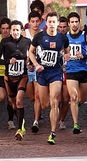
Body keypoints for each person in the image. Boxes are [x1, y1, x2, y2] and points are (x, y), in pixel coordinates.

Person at [28, 12, 70, 144]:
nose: (52, 24)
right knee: (44, 104)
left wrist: (66, 59)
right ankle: (46, 120)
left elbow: (67, 52)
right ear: (46, 23)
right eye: (49, 22)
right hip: (42, 72)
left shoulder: (63, 38)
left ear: (58, 23)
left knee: (54, 101)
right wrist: (36, 65)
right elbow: (30, 52)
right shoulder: (39, 37)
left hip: (56, 72)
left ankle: (52, 132)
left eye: (54, 22)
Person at [0, 20, 32, 140]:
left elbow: (33, 56)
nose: (15, 32)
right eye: (13, 30)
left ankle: (20, 129)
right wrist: (8, 61)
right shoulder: (5, 42)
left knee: (20, 100)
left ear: (21, 31)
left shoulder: (27, 42)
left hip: (22, 76)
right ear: (10, 31)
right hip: (9, 77)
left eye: (17, 30)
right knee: (13, 103)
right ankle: (21, 121)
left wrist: (30, 63)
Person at [65, 12, 87, 134]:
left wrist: (83, 56)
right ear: (69, 24)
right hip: (71, 70)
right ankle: (76, 124)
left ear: (79, 23)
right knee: (73, 97)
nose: (74, 24)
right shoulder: (65, 37)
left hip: (84, 70)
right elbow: (60, 52)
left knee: (82, 99)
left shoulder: (85, 36)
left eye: (76, 22)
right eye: (72, 22)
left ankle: (75, 109)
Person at [22, 11, 42, 133]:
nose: (35, 24)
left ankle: (36, 121)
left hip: (38, 67)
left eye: (37, 21)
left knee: (38, 96)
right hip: (26, 68)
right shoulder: (24, 34)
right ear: (29, 22)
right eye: (32, 21)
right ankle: (37, 110)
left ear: (40, 22)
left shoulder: (42, 35)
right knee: (31, 97)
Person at [56, 16, 69, 130]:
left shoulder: (69, 38)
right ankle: (55, 117)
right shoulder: (53, 38)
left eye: (64, 27)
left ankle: (62, 120)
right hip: (56, 71)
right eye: (60, 27)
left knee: (66, 99)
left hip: (68, 71)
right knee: (58, 99)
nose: (62, 29)